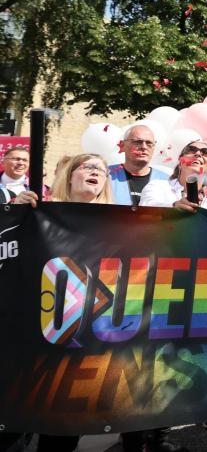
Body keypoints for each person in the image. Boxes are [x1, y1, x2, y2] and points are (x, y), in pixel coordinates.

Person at [12, 153, 118, 452]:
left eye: (101, 170)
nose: (95, 172)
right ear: (70, 175)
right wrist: (14, 212)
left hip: (80, 344)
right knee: (13, 428)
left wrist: (180, 214)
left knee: (61, 436)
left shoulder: (119, 224)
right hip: (32, 336)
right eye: (88, 167)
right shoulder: (37, 212)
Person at [139, 141, 207, 212]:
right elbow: (144, 209)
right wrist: (173, 207)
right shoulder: (158, 187)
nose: (198, 154)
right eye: (191, 150)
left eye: (206, 152)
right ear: (180, 161)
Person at [109, 124, 170, 206]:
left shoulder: (166, 181)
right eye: (137, 142)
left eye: (149, 143)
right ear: (123, 145)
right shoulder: (106, 176)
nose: (144, 147)